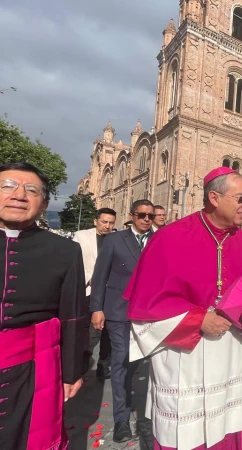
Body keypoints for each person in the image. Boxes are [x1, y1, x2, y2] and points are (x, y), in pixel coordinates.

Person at [124, 167, 242, 450]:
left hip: (231, 351)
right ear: (214, 198)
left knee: (228, 427)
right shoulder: (169, 238)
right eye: (241, 198)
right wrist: (199, 319)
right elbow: (145, 308)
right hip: (186, 356)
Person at [0, 162, 87, 449]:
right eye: (8, 186)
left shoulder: (64, 250)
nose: (19, 195)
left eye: (32, 190)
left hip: (33, 368)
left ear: (44, 202)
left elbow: (73, 315)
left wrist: (72, 372)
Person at [90, 199, 155, 442]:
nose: (146, 219)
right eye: (142, 215)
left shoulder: (158, 241)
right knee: (121, 362)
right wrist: (97, 308)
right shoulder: (115, 241)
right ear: (132, 216)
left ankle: (147, 418)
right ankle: (121, 420)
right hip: (119, 312)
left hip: (149, 314)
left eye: (150, 215)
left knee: (147, 366)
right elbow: (100, 276)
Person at [73, 207, 116, 379]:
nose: (107, 226)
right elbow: (75, 261)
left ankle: (103, 364)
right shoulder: (82, 236)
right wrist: (89, 278)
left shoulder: (115, 238)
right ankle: (83, 359)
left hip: (108, 291)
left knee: (106, 330)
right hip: (87, 289)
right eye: (104, 222)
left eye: (111, 223)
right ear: (95, 221)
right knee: (86, 326)